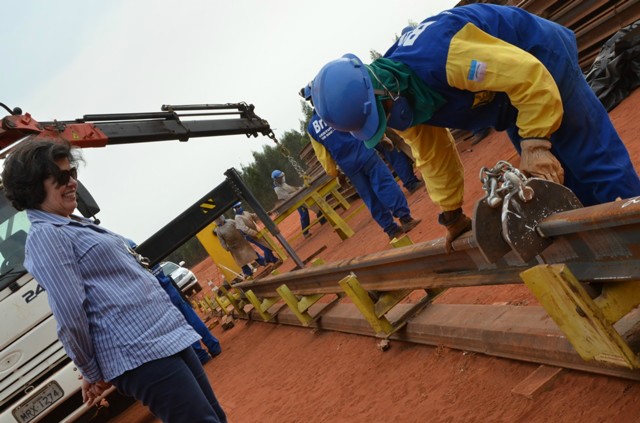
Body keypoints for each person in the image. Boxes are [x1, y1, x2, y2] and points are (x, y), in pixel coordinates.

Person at [311, 3, 640, 250]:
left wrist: (536, 143)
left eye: (378, 115)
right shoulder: (398, 102)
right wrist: (451, 213)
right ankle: (610, 250)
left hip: (540, 61)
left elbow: (527, 75)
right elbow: (433, 154)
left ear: (378, 89)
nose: (385, 123)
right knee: (558, 180)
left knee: (594, 162)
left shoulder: (443, 56)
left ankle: (634, 231)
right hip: (507, 97)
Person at [2, 138, 226, 422]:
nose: (72, 182)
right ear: (33, 188)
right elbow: (71, 314)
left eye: (72, 174)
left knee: (214, 417)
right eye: (61, 177)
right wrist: (93, 372)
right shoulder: (47, 236)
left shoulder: (72, 223)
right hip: (141, 354)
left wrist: (87, 372)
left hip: (165, 338)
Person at [301, 85, 421, 240]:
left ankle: (392, 231)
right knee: (385, 184)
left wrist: (336, 173)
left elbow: (323, 157)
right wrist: (381, 137)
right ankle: (406, 219)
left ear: (309, 101)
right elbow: (362, 122)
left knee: (370, 197)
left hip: (349, 167)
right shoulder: (338, 106)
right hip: (364, 153)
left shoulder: (312, 128)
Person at [152, 262, 222, 364]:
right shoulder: (145, 255)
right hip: (170, 289)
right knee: (192, 318)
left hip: (161, 296)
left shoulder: (129, 256)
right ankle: (214, 346)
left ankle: (201, 355)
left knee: (182, 325)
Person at [271, 169, 312, 238]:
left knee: (309, 208)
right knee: (304, 214)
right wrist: (299, 192)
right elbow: (288, 197)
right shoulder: (278, 189)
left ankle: (322, 220)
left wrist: (300, 188)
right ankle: (305, 232)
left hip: (298, 198)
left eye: (282, 176)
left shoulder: (283, 184)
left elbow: (292, 188)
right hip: (294, 201)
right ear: (276, 179)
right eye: (280, 177)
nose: (282, 178)